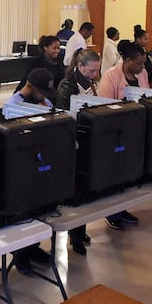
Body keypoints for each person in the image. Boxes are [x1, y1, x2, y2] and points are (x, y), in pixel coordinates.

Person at [55, 48, 101, 255]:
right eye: (91, 70)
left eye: (96, 71)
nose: (94, 74)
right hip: (73, 142)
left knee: (85, 188)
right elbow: (66, 114)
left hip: (87, 139)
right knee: (76, 193)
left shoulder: (89, 82)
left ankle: (80, 231)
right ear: (80, 66)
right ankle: (75, 235)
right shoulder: (68, 86)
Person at [96, 40, 145, 231]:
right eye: (138, 63)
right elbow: (105, 106)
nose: (142, 67)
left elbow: (146, 96)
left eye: (143, 63)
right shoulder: (111, 76)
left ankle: (122, 208)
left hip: (134, 127)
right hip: (115, 130)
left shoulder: (142, 74)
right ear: (127, 60)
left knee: (127, 173)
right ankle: (112, 212)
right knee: (114, 173)